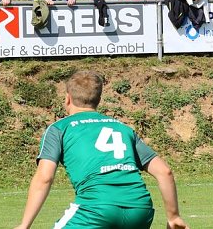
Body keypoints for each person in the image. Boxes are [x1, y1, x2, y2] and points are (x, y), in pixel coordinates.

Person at [13, 71, 189, 229]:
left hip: (96, 208)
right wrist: (173, 216)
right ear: (98, 99)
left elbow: (44, 178)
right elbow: (165, 172)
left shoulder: (60, 128)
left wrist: (24, 225)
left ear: (67, 98)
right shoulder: (122, 128)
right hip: (140, 210)